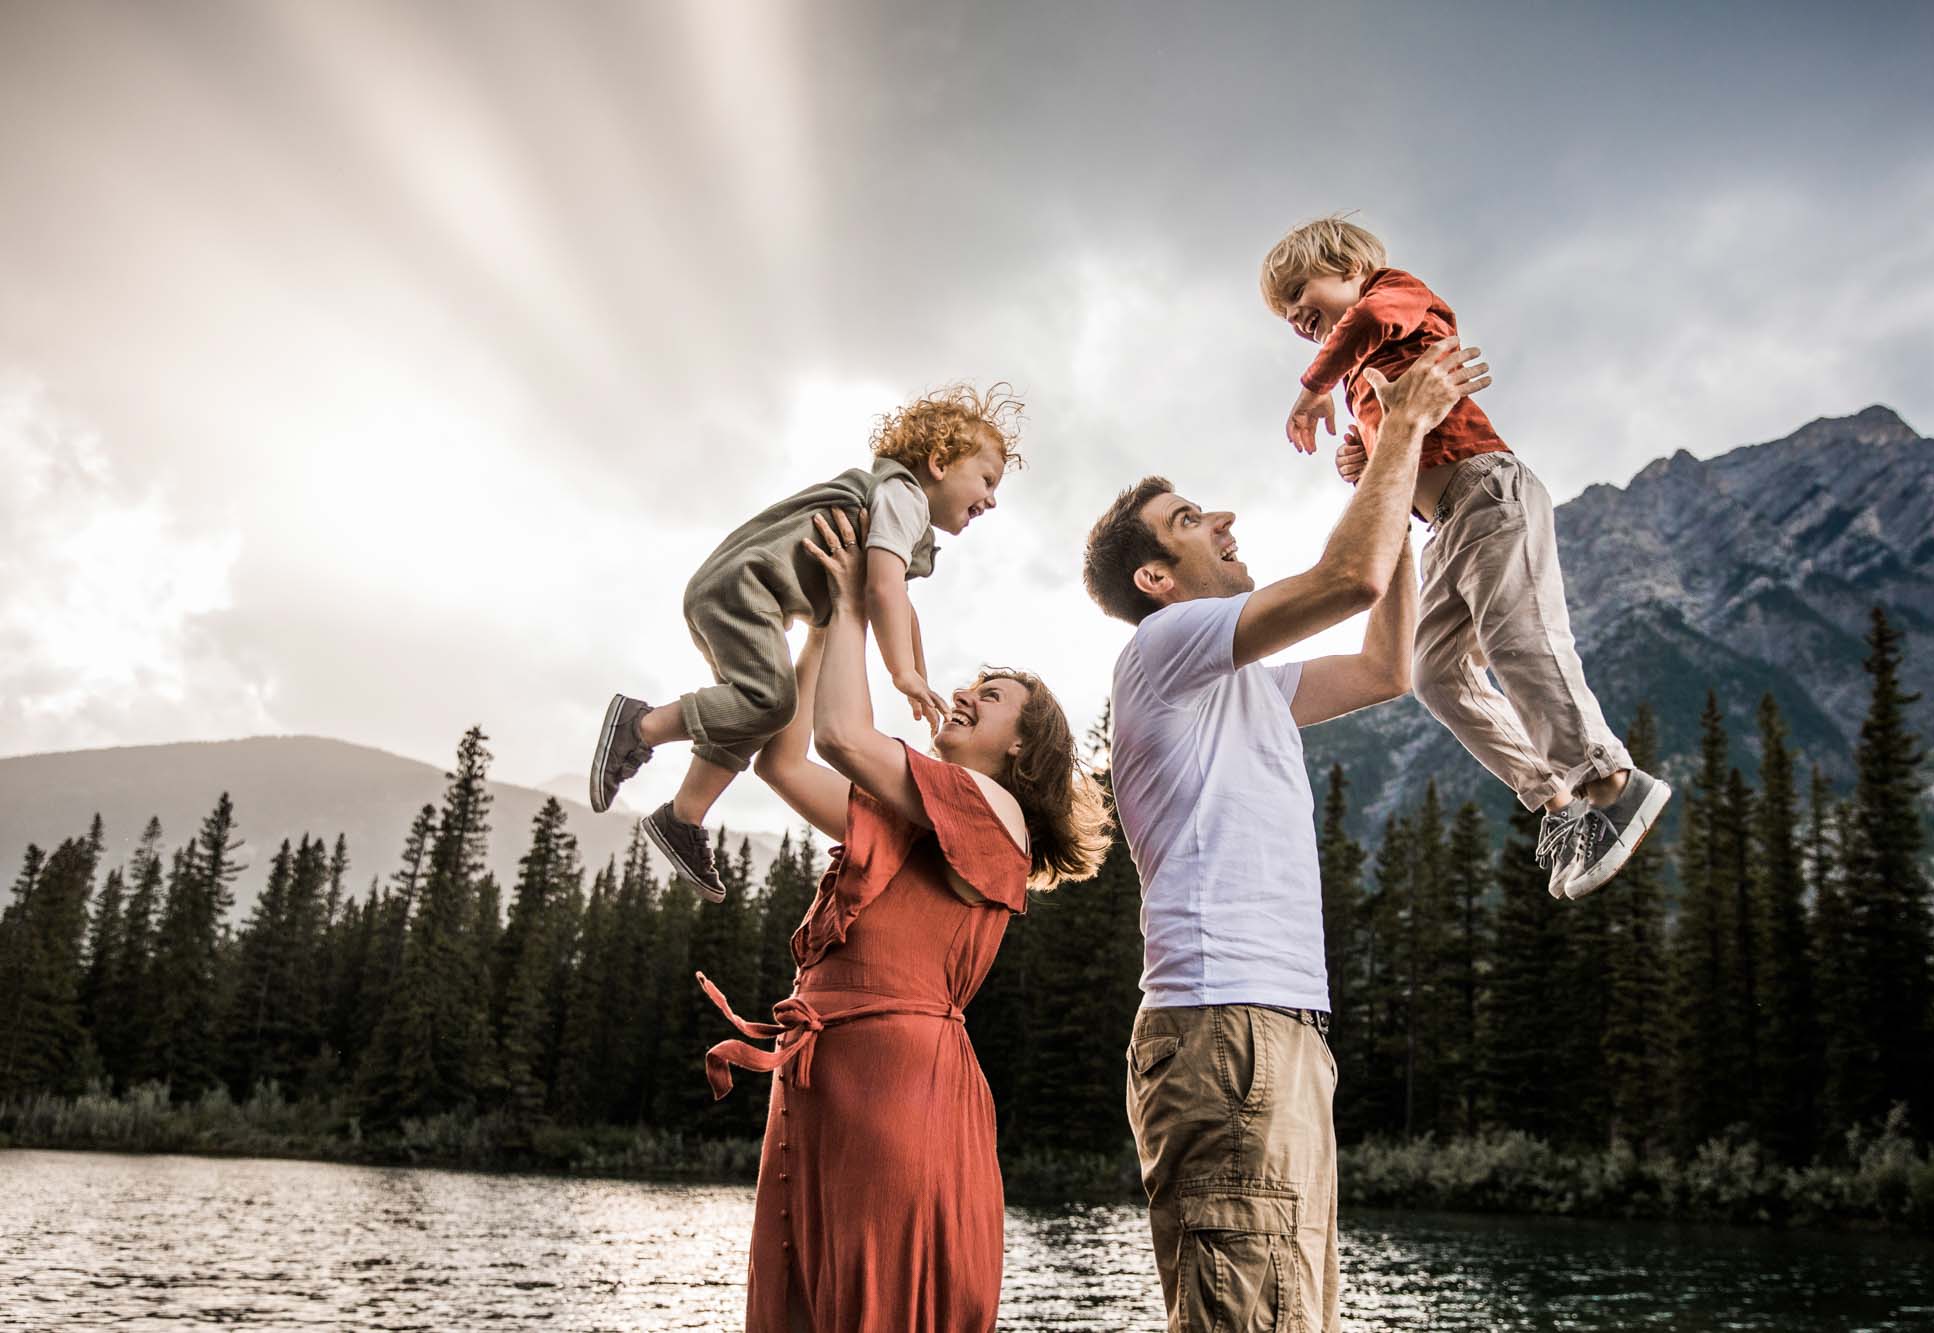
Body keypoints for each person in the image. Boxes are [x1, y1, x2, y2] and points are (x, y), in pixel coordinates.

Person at [1083, 338, 1487, 1332]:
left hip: (1268, 1032)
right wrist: (1397, 434)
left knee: (1284, 1315)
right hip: (1229, 1029)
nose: (1221, 519)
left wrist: (1389, 472)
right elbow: (1346, 578)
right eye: (1188, 521)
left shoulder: (1239, 685)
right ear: (1155, 578)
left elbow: (1385, 662)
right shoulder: (1161, 647)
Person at [701, 508, 1111, 1332]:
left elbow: (844, 735)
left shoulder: (994, 808)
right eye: (972, 685)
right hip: (823, 1082)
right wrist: (820, 621)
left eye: (989, 698)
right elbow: (784, 759)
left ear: (1022, 752)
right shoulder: (917, 815)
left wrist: (856, 599)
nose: (963, 693)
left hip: (896, 1089)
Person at [1262, 214, 1670, 898]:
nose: (1296, 316)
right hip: (1444, 524)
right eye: (1286, 314)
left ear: (1346, 267)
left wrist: (1311, 390)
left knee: (1520, 638)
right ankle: (1560, 802)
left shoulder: (1395, 295)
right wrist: (1363, 453)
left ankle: (1610, 781)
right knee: (1434, 671)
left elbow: (1365, 322)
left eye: (1299, 294)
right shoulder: (1360, 372)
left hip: (1487, 488)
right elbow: (1396, 453)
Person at [587, 384, 1022, 901]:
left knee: (750, 709)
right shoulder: (903, 498)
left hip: (748, 594)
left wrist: (917, 674)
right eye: (987, 479)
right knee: (768, 700)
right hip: (746, 589)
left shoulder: (901, 518)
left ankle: (685, 816)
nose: (991, 499)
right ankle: (641, 724)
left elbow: (901, 605)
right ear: (939, 462)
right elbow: (881, 589)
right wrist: (899, 673)